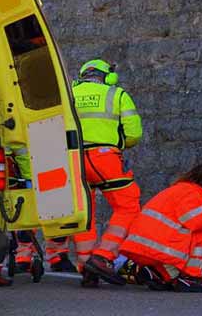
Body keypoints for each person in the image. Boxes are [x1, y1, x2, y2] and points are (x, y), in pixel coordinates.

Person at [71, 59, 143, 287]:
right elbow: (134, 134)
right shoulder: (117, 94)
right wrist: (119, 144)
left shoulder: (68, 94)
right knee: (128, 205)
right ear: (109, 76)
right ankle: (103, 256)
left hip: (73, 160)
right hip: (105, 159)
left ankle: (86, 264)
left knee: (84, 212)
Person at [120, 164, 202, 292]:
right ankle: (190, 277)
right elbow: (196, 222)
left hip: (141, 248)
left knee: (170, 273)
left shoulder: (177, 189)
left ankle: (157, 274)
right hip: (157, 250)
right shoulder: (194, 192)